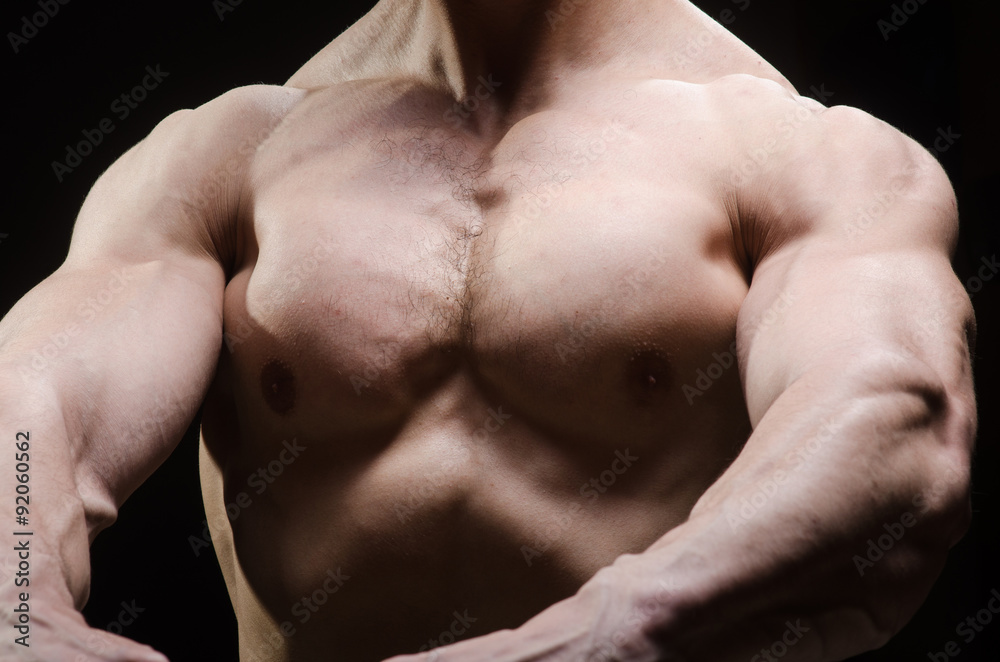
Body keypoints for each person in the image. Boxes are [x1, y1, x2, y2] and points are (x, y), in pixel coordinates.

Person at [0, 0, 976, 660]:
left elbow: (894, 424)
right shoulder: (237, 155)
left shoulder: (792, 150)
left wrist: (608, 628)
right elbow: (34, 400)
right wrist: (19, 598)